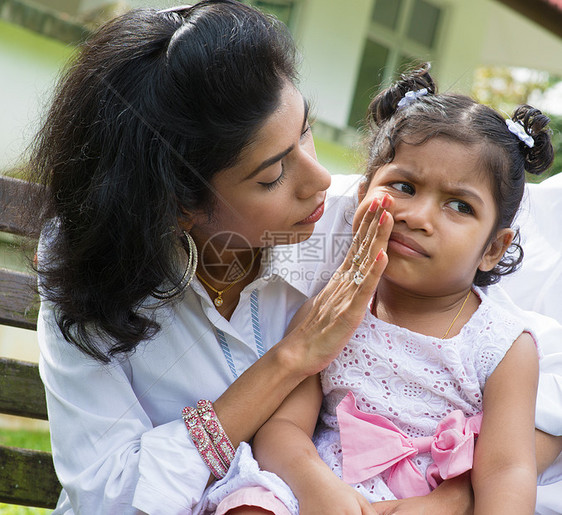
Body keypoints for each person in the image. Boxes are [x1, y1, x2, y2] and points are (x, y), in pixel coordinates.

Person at [26, 3, 561, 514]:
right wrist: (291, 359)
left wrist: (458, 495)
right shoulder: (94, 277)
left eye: (304, 129)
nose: (322, 180)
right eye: (272, 175)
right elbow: (109, 498)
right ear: (179, 207)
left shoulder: (370, 223)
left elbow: (539, 364)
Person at [203, 66, 562, 514]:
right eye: (403, 186)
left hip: (427, 500)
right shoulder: (336, 309)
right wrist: (321, 491)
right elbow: (281, 431)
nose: (417, 215)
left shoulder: (503, 347)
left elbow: (507, 472)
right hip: (315, 488)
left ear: (493, 248)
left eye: (459, 206)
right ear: (361, 196)